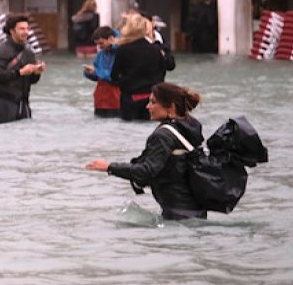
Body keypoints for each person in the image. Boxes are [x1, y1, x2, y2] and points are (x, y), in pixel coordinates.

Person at [86, 82, 207, 220]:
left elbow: (146, 171)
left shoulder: (163, 136)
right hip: (196, 210)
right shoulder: (189, 127)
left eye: (153, 102)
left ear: (171, 107)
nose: (147, 106)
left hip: (178, 215)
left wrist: (109, 167)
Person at [111, 14, 174, 121]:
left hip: (130, 98)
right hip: (152, 98)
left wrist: (124, 84)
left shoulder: (122, 50)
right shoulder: (156, 49)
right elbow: (163, 70)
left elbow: (114, 75)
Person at [0, 13, 46, 124]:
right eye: (22, 29)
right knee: (7, 131)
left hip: (24, 101)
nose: (26, 32)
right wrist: (20, 72)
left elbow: (32, 81)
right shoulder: (0, 51)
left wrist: (37, 73)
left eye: (27, 29)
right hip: (6, 101)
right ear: (12, 31)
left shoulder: (29, 52)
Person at [82, 26, 120, 118]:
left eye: (101, 43)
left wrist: (96, 72)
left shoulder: (120, 53)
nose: (99, 46)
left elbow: (116, 76)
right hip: (100, 99)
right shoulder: (100, 55)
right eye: (97, 44)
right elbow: (98, 76)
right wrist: (90, 73)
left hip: (116, 98)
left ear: (111, 39)